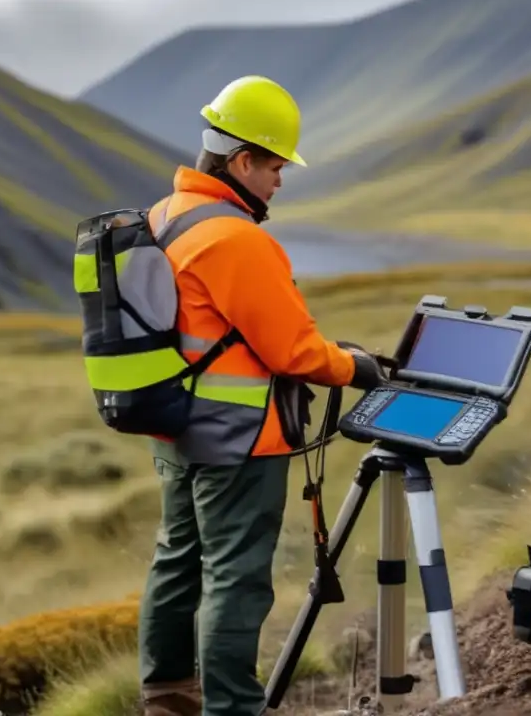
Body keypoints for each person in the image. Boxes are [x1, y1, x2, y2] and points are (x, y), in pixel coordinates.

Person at [136, 75, 387, 716]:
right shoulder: (238, 239)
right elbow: (294, 353)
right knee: (235, 580)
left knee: (177, 560)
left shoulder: (165, 216)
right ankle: (232, 709)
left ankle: (166, 695)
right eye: (275, 166)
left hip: (175, 428)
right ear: (242, 160)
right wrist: (358, 368)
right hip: (239, 441)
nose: (279, 181)